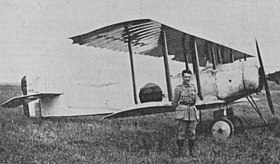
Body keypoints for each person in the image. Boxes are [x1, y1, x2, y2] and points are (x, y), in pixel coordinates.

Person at [172, 69, 199, 158]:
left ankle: (192, 152)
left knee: (192, 132)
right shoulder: (178, 88)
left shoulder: (193, 87)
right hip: (183, 112)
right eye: (185, 77)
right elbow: (175, 102)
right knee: (181, 132)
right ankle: (180, 153)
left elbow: (195, 100)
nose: (187, 79)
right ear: (182, 77)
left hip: (192, 110)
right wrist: (178, 111)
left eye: (189, 77)